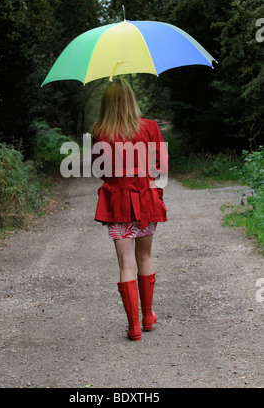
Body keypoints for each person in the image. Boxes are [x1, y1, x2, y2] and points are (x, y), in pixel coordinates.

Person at [91, 78, 168, 342]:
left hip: (118, 204)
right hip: (145, 199)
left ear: (106, 103)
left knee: (126, 263)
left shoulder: (100, 132)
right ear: (132, 99)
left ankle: (134, 327)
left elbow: (98, 170)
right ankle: (148, 317)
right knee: (144, 258)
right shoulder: (149, 127)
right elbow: (161, 166)